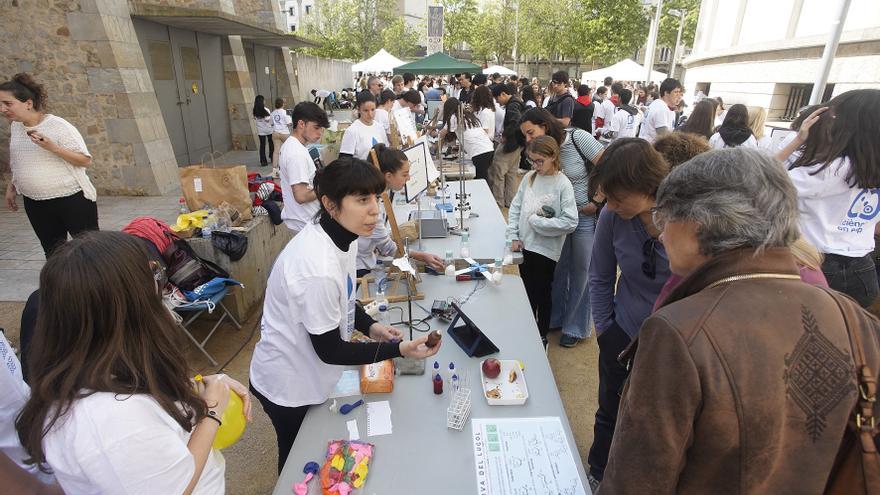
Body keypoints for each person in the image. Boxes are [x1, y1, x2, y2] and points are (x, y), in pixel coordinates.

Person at [601, 148, 880, 494]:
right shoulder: (855, 319)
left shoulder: (678, 332)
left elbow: (637, 480)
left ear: (698, 224)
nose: (661, 234)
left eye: (665, 217)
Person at [15, 231, 252, 494]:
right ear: (126, 308)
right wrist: (212, 411)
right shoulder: (112, 421)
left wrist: (195, 387)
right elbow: (175, 489)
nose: (160, 285)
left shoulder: (94, 369)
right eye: (153, 275)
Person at [249, 158, 441, 474]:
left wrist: (372, 326)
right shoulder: (317, 268)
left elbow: (346, 298)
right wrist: (399, 350)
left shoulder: (342, 236)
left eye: (376, 198)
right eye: (362, 200)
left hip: (308, 369)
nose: (375, 210)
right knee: (297, 461)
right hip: (288, 382)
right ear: (330, 204)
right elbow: (330, 350)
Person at [586, 138, 672, 486]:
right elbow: (600, 275)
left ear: (648, 187)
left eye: (618, 197)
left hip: (670, 342)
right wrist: (605, 329)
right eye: (606, 197)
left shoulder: (684, 220)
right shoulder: (612, 216)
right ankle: (598, 472)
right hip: (623, 330)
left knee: (654, 422)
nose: (610, 205)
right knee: (609, 409)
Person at [777, 90, 880, 307]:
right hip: (863, 270)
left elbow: (758, 179)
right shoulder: (865, 168)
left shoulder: (832, 170)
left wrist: (797, 140)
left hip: (818, 265)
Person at [519, 108, 604, 347]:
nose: (528, 138)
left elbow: (608, 167)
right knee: (557, 269)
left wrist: (597, 201)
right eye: (525, 135)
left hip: (584, 217)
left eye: (530, 132)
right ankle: (555, 317)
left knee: (581, 271)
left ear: (545, 126)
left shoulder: (577, 138)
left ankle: (575, 327)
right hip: (556, 220)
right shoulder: (542, 151)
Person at [2, 73, 98, 256]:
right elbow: (19, 160)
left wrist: (52, 147)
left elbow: (85, 160)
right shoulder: (16, 127)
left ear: (28, 103)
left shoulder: (58, 126)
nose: (3, 109)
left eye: (8, 103)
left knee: (89, 253)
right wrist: (12, 186)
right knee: (53, 254)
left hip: (71, 200)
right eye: (0, 104)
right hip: (35, 203)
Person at [506, 136, 578, 344]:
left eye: (540, 161)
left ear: (553, 156)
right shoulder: (530, 177)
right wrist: (513, 235)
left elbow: (570, 221)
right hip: (525, 246)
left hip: (545, 250)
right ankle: (529, 331)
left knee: (543, 293)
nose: (535, 166)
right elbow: (516, 207)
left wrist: (537, 222)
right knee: (528, 292)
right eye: (532, 160)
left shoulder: (563, 184)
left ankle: (541, 334)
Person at [357, 144, 446, 275]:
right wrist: (422, 256)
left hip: (367, 258)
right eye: (405, 175)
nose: (409, 178)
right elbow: (388, 248)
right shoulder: (372, 207)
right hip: (360, 267)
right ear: (388, 176)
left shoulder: (377, 195)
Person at [279, 102, 330, 234]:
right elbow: (301, 196)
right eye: (316, 128)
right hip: (304, 223)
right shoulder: (296, 153)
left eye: (321, 129)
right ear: (301, 124)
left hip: (303, 221)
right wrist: (327, 187)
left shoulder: (293, 146)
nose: (320, 133)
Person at [489, 83, 526, 208]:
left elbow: (515, 121)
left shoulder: (512, 105)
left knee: (497, 171)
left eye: (497, 98)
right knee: (511, 173)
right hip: (518, 143)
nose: (497, 102)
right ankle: (510, 201)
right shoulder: (518, 102)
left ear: (503, 94)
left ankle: (498, 202)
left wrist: (505, 135)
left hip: (511, 143)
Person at [440, 98, 495, 180]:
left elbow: (441, 134)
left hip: (479, 152)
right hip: (489, 149)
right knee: (483, 178)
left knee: (481, 180)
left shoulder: (453, 117)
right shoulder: (468, 115)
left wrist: (432, 134)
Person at [339, 91, 388, 160]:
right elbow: (345, 160)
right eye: (366, 110)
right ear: (359, 110)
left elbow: (385, 151)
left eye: (373, 110)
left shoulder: (379, 127)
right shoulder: (352, 131)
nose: (370, 114)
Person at [638, 77, 683, 143]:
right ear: (666, 93)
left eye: (680, 92)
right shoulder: (661, 108)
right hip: (650, 147)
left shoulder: (659, 105)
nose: (679, 96)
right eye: (676, 92)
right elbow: (664, 138)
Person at [271, 97, 292, 170]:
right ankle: (288, 165)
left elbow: (271, 123)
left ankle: (275, 168)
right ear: (283, 104)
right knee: (289, 149)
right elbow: (289, 123)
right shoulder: (285, 112)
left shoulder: (272, 113)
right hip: (284, 133)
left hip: (275, 133)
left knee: (276, 151)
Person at [253, 95, 273, 166]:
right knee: (271, 143)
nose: (264, 101)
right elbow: (268, 119)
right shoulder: (266, 110)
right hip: (269, 130)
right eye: (264, 100)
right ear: (262, 101)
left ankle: (263, 161)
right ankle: (272, 156)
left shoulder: (255, 110)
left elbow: (255, 118)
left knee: (262, 145)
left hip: (260, 130)